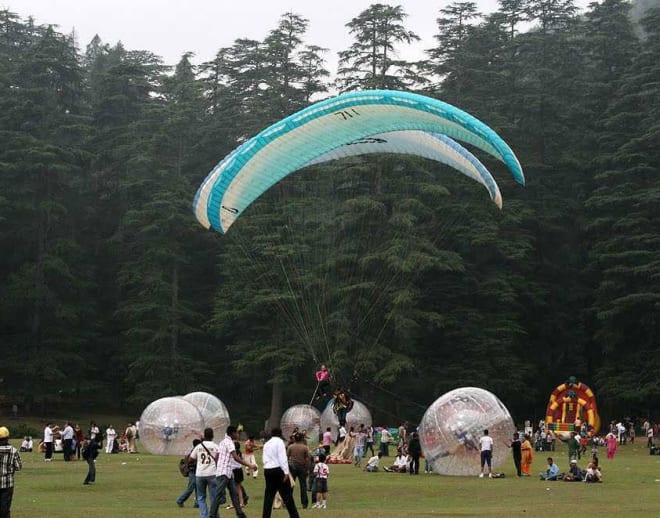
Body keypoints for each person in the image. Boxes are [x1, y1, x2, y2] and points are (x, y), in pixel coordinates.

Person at [208, 425, 255, 518]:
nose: (238, 434)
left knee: (234, 494)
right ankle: (212, 514)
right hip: (224, 472)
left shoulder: (222, 442)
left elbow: (216, 457)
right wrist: (249, 465)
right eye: (237, 433)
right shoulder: (229, 443)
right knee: (219, 494)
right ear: (232, 433)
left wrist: (219, 466)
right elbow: (235, 457)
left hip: (227, 472)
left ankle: (240, 514)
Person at [262, 427, 299, 518]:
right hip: (278, 470)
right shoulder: (280, 442)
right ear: (280, 434)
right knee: (287, 495)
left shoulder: (267, 444)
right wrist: (286, 472)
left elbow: (264, 458)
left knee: (269, 497)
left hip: (268, 470)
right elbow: (283, 458)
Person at [188, 427, 219, 518]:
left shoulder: (199, 446)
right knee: (214, 497)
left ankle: (204, 516)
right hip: (212, 473)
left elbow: (190, 459)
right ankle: (215, 515)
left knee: (201, 497)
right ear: (213, 436)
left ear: (204, 436)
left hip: (200, 474)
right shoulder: (216, 446)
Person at [0, 426, 22, 517]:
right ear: (8, 438)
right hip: (8, 484)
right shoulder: (14, 451)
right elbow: (18, 467)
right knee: (5, 509)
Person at [287, 432, 310, 509]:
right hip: (302, 467)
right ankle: (304, 503)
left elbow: (286, 457)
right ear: (302, 438)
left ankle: (288, 503)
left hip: (292, 467)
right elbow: (307, 459)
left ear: (295, 439)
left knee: (290, 485)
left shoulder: (290, 447)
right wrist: (307, 469)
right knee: (303, 486)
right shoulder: (305, 447)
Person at [177, 439, 200, 508]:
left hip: (196, 472)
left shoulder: (193, 450)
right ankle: (180, 500)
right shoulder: (194, 452)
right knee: (191, 488)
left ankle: (197, 503)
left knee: (198, 488)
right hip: (193, 472)